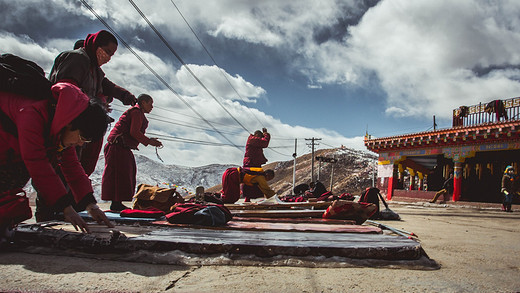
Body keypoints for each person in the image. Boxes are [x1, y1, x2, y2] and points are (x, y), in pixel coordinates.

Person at [0, 82, 114, 238]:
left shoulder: (60, 130)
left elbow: (72, 167)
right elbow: (37, 164)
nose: (81, 143)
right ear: (70, 123)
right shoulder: (32, 114)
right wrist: (66, 208)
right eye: (83, 137)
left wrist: (91, 205)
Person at [49, 30, 137, 176]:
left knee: (74, 169)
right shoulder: (77, 59)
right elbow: (67, 94)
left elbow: (108, 86)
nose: (108, 57)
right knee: (59, 170)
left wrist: (125, 96)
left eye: (111, 55)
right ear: (96, 44)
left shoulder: (96, 70)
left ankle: (73, 197)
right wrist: (98, 106)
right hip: (67, 127)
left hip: (79, 128)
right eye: (107, 51)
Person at [101, 94, 162, 211]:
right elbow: (134, 132)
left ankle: (117, 203)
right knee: (119, 174)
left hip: (122, 147)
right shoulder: (136, 112)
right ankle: (116, 203)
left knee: (125, 173)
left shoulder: (138, 113)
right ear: (143, 102)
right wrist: (149, 141)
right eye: (150, 103)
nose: (152, 107)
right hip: (117, 146)